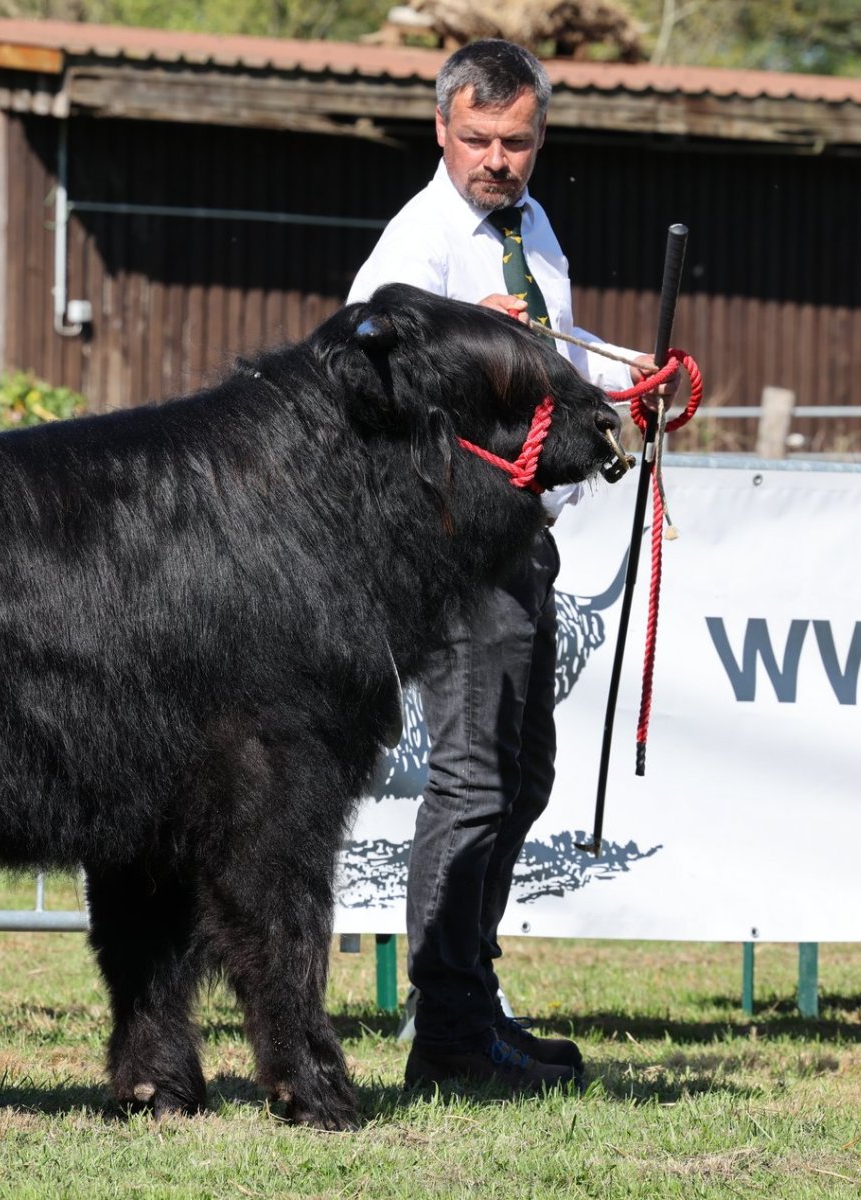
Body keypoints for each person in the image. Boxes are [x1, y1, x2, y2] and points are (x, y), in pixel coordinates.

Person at [348, 38, 673, 1093]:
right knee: (474, 777)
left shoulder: (528, 227)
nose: (497, 159)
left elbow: (549, 357)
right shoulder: (417, 242)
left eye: (517, 141)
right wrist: (453, 340)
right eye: (478, 139)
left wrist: (626, 388)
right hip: (452, 542)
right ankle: (445, 1033)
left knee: (521, 776)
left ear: (540, 137)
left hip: (519, 536)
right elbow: (361, 370)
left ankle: (472, 1003)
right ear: (441, 129)